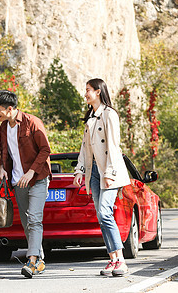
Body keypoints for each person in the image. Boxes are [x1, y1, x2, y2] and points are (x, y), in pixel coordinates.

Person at [0, 90, 51, 279]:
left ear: (10, 109)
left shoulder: (32, 122)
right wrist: (2, 168)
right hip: (18, 181)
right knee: (26, 222)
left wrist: (31, 171)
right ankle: (39, 258)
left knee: (34, 218)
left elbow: (45, 149)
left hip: (38, 178)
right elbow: (5, 153)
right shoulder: (3, 127)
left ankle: (31, 261)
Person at [73, 78, 131, 277]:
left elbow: (113, 147)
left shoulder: (109, 114)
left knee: (105, 212)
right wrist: (80, 170)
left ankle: (121, 260)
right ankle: (112, 259)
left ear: (98, 92)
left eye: (88, 90)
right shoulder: (91, 117)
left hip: (109, 171)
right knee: (100, 215)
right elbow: (85, 148)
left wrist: (110, 173)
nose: (85, 93)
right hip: (94, 172)